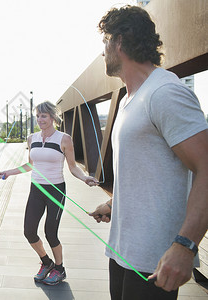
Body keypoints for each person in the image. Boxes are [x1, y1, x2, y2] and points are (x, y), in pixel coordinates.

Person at [89, 5, 208, 300]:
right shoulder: (132, 99)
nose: (103, 52)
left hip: (155, 261)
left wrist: (185, 246)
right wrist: (115, 203)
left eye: (104, 42)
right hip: (122, 251)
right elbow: (150, 170)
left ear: (119, 41)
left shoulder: (164, 93)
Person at [0, 101, 98, 285]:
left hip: (56, 190)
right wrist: (8, 172)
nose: (40, 119)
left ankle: (60, 269)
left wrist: (85, 178)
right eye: (37, 115)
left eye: (43, 115)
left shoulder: (64, 139)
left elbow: (73, 167)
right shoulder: (32, 138)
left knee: (50, 232)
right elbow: (30, 164)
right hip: (36, 189)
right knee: (29, 231)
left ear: (52, 117)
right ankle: (46, 262)